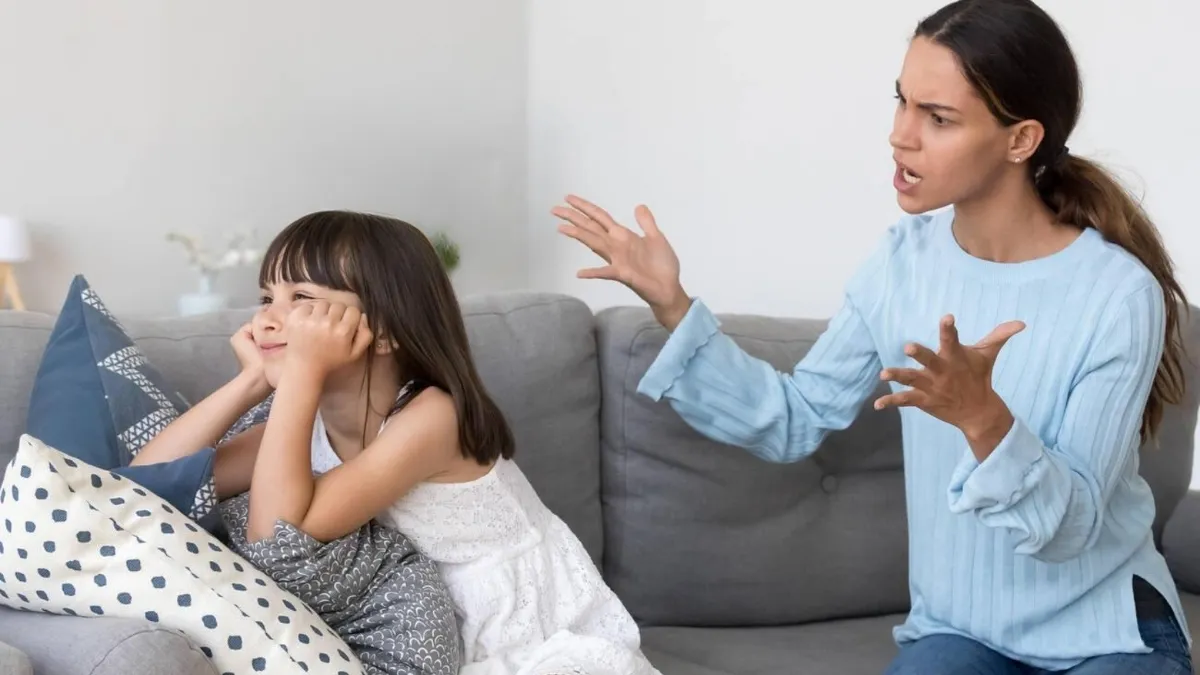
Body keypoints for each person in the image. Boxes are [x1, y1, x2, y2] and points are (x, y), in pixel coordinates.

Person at [554, 1, 1193, 673]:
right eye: (902, 102)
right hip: (960, 629)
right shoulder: (902, 265)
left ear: (1020, 139)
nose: (901, 136)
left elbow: (1074, 530)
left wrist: (986, 421)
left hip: (1107, 626)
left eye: (937, 118)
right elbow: (793, 418)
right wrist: (673, 306)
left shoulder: (1118, 293)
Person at [132, 211, 661, 675]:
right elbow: (148, 481)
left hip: (519, 631)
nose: (267, 317)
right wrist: (250, 382)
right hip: (412, 624)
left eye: (302, 299)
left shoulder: (433, 417)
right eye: (267, 297)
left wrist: (296, 378)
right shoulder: (302, 420)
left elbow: (280, 534)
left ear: (381, 332)